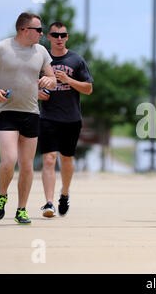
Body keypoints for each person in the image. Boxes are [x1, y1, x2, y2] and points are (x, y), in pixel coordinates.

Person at [0, 12, 56, 224]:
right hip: (6, 112)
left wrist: (49, 81)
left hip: (31, 113)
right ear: (24, 30)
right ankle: (2, 195)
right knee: (9, 160)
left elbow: (52, 78)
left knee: (27, 166)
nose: (42, 33)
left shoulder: (41, 52)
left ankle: (21, 209)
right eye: (38, 30)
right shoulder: (1, 48)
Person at [38, 22, 93, 217]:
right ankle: (49, 203)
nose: (59, 38)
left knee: (67, 158)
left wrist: (68, 80)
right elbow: (29, 85)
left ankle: (65, 194)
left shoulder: (76, 60)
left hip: (71, 118)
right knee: (49, 158)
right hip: (48, 117)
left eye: (63, 35)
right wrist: (38, 93)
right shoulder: (41, 59)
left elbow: (88, 88)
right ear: (49, 37)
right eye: (55, 35)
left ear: (67, 37)